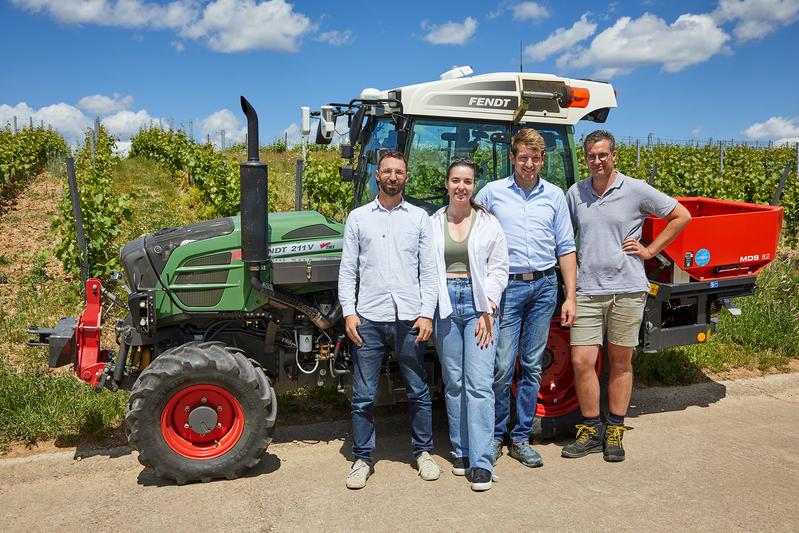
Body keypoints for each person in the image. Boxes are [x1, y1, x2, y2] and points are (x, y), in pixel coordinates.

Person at [563, 130, 691, 462]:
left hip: (627, 290)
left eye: (602, 154)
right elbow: (564, 236)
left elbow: (681, 216)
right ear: (585, 157)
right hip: (588, 290)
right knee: (581, 362)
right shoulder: (576, 193)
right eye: (591, 156)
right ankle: (591, 429)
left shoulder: (634, 189)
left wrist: (650, 250)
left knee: (621, 362)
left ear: (614, 155)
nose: (597, 161)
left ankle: (615, 432)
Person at [475, 128, 577, 468]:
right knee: (503, 366)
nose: (529, 164)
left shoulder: (555, 196)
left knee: (532, 365)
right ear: (512, 157)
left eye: (535, 158)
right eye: (523, 157)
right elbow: (476, 238)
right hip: (507, 287)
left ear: (542, 159)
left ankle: (520, 439)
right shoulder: (492, 194)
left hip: (545, 286)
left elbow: (566, 247)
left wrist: (570, 296)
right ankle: (494, 437)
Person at [338, 150, 440, 489]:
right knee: (364, 394)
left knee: (418, 390)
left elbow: (429, 270)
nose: (393, 176)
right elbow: (348, 269)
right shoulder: (358, 217)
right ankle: (363, 458)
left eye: (399, 171)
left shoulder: (419, 218)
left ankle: (423, 452)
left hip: (410, 318)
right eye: (387, 171)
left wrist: (427, 312)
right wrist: (349, 312)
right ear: (377, 176)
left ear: (406, 177)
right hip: (368, 317)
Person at [431, 157, 509, 491]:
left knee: (479, 383)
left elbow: (499, 267)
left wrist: (488, 306)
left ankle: (481, 462)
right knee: (454, 383)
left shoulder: (489, 222)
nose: (461, 186)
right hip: (445, 305)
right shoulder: (432, 222)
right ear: (447, 184)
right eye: (456, 180)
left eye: (468, 181)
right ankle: (461, 451)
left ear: (474, 185)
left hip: (480, 307)